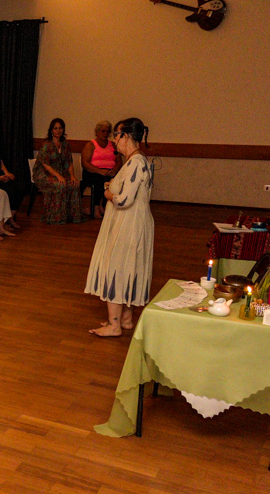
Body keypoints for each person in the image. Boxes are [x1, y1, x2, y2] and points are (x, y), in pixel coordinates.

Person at [85, 118, 154, 337]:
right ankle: (125, 319)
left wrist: (108, 194)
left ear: (126, 136)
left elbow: (124, 200)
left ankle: (114, 325)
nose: (114, 140)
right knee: (129, 266)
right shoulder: (137, 161)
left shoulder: (135, 163)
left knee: (116, 266)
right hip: (133, 221)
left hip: (129, 224)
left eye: (116, 135)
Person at [33, 118, 82, 225]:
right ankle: (55, 217)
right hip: (44, 174)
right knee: (60, 184)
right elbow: (45, 164)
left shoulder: (66, 145)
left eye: (60, 128)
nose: (58, 130)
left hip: (61, 173)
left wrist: (72, 176)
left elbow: (69, 162)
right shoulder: (47, 145)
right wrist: (58, 176)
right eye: (55, 128)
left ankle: (71, 216)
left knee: (74, 184)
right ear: (51, 130)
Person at [81, 120, 123, 219]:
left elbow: (119, 161)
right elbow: (85, 163)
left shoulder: (113, 145)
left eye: (107, 131)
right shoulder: (90, 145)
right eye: (103, 131)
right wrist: (100, 171)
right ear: (97, 132)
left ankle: (104, 206)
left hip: (109, 172)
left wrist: (114, 170)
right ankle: (95, 207)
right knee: (100, 180)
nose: (105, 133)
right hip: (93, 172)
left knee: (114, 180)